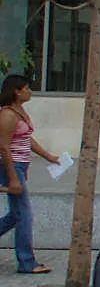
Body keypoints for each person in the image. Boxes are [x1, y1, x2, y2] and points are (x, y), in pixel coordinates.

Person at [0, 74, 59, 274]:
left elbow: (27, 138)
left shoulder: (20, 112)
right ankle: (27, 262)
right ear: (17, 92)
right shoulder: (7, 115)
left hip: (21, 166)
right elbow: (4, 147)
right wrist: (13, 178)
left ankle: (26, 260)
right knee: (24, 215)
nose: (30, 92)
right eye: (26, 88)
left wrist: (48, 156)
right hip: (11, 166)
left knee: (16, 214)